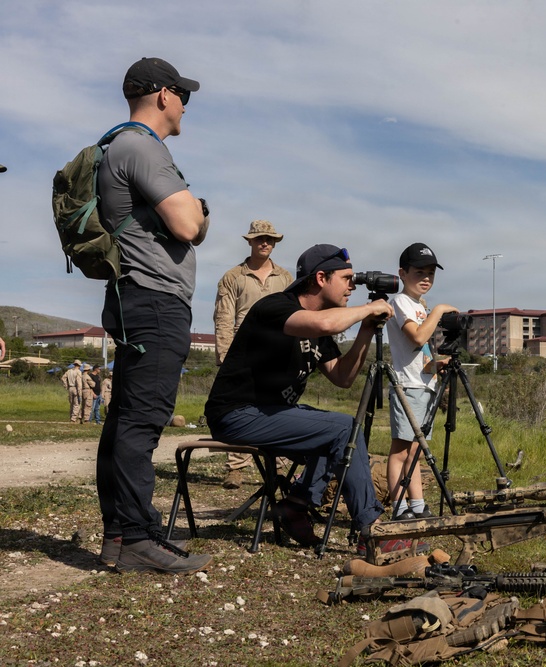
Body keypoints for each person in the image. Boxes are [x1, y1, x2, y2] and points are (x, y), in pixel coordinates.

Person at [95, 57, 212, 575]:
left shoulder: (118, 145)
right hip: (155, 300)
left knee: (125, 418)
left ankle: (121, 537)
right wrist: (202, 211)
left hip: (135, 298)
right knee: (141, 421)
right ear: (163, 94)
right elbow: (188, 224)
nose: (186, 104)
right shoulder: (142, 146)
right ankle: (138, 538)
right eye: (182, 94)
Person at [205, 244, 393, 550]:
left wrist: (365, 331)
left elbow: (342, 377)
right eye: (347, 278)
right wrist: (369, 309)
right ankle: (372, 531)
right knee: (345, 428)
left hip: (271, 413)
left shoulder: (321, 328)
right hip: (237, 413)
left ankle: (296, 504)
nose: (352, 286)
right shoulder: (275, 307)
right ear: (320, 278)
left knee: (339, 428)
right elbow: (325, 322)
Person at [213, 219, 293, 489]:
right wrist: (224, 354)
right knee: (240, 407)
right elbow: (223, 317)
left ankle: (279, 462)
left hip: (279, 348)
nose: (265, 243)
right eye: (260, 238)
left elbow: (296, 314)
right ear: (250, 241)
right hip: (243, 349)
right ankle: (236, 467)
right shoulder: (233, 277)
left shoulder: (285, 278)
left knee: (279, 406)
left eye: (270, 239)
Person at [384, 243, 457, 520]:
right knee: (400, 449)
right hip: (407, 385)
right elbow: (416, 337)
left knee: (415, 451)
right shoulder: (401, 302)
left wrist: (436, 365)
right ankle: (399, 507)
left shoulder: (419, 306)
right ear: (403, 273)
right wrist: (437, 311)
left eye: (430, 273)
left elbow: (418, 352)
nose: (426, 278)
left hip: (422, 383)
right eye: (419, 272)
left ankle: (417, 505)